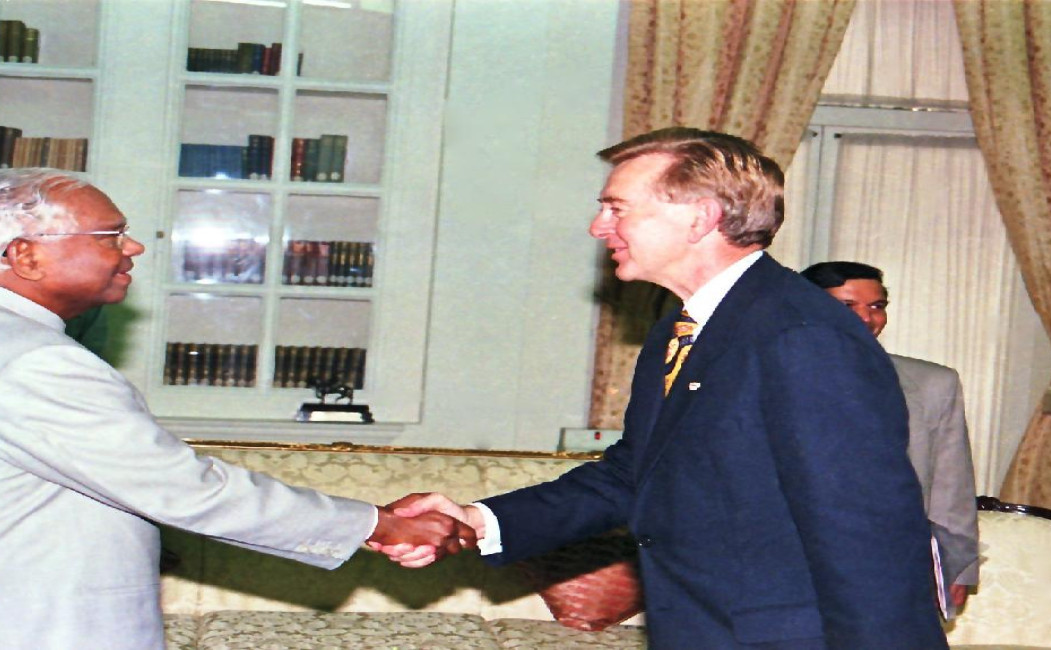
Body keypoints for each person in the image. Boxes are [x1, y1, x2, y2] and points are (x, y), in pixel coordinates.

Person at [0, 168, 474, 649]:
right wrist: (376, 523)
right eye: (111, 235)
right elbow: (186, 489)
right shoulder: (28, 361)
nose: (132, 248)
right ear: (25, 255)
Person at [382, 128, 947, 648]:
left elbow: (865, 529)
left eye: (617, 208)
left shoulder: (801, 334)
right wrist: (477, 521)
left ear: (700, 218)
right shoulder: (680, 331)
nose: (598, 227)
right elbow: (634, 474)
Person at [800, 261, 979, 612]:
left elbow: (951, 486)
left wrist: (957, 567)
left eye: (876, 306)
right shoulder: (764, 374)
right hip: (791, 562)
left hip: (892, 564)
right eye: (847, 305)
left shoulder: (931, 384)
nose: (866, 318)